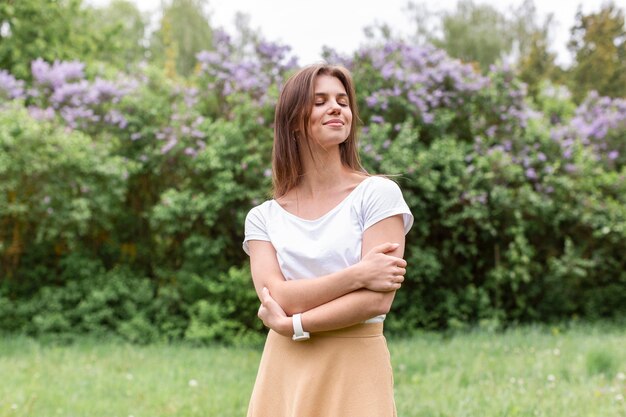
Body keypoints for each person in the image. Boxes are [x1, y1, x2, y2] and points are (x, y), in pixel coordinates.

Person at [242, 63, 413, 417]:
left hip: (355, 365)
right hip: (284, 366)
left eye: (342, 101)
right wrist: (358, 275)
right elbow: (278, 297)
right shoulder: (263, 218)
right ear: (293, 121)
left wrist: (297, 325)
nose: (336, 108)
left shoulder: (378, 195)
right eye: (319, 101)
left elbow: (375, 302)